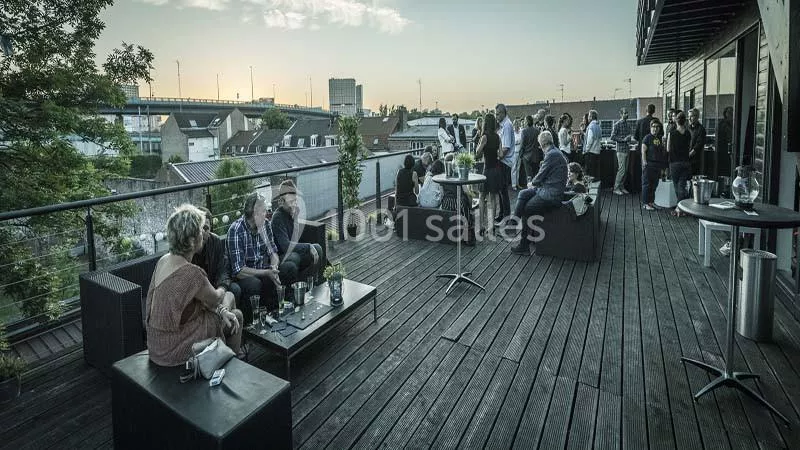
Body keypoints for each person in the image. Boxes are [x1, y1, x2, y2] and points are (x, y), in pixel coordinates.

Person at [146, 204, 243, 367]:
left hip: (156, 346)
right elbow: (216, 298)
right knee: (236, 313)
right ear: (191, 240)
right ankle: (229, 368)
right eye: (200, 230)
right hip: (174, 350)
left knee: (227, 312)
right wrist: (222, 288)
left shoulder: (162, 261)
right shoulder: (192, 274)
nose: (203, 233)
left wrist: (221, 310)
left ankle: (222, 356)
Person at [227, 193, 284, 322]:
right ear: (255, 214)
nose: (267, 214)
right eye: (264, 211)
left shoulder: (265, 224)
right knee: (254, 284)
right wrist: (267, 272)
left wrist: (274, 267)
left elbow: (273, 252)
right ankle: (251, 324)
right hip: (244, 277)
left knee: (281, 272)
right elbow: (239, 271)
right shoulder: (236, 230)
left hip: (264, 269)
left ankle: (274, 316)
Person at [510, 131, 568, 255]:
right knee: (523, 194)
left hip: (550, 195)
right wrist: (533, 184)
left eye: (539, 145)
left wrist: (532, 183)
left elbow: (540, 176)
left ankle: (524, 246)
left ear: (542, 144)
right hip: (547, 189)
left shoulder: (551, 155)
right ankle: (513, 224)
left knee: (527, 209)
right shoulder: (555, 152)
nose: (540, 148)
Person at [270, 180, 324, 283]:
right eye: (290, 202)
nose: (294, 204)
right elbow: (285, 246)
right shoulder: (278, 218)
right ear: (281, 201)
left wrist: (294, 219)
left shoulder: (292, 213)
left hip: (291, 252)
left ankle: (313, 283)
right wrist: (308, 246)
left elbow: (295, 239)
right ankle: (297, 288)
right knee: (295, 257)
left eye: (295, 201)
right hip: (280, 257)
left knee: (318, 248)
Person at [192, 207, 241, 305]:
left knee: (234, 289)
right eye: (199, 228)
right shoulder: (187, 246)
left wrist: (221, 288)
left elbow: (223, 270)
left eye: (206, 228)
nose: (202, 232)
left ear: (210, 228)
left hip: (215, 285)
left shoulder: (215, 241)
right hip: (196, 291)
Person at [475, 113, 502, 236]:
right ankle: (492, 227)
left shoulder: (484, 137)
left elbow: (477, 153)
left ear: (485, 123)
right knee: (493, 198)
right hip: (496, 169)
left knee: (482, 197)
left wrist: (480, 145)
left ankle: (481, 226)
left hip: (487, 170)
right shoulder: (498, 137)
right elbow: (500, 154)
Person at [441, 154, 476, 246]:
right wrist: (471, 204)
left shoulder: (443, 176)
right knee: (466, 209)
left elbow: (441, 193)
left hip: (446, 203)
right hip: (457, 203)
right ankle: (467, 236)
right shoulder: (459, 175)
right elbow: (466, 191)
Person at [667, 111, 692, 215]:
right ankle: (681, 208)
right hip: (686, 162)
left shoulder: (671, 133)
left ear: (676, 121)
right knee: (682, 185)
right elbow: (689, 147)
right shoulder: (688, 133)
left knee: (677, 186)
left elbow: (668, 149)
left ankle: (680, 208)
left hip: (674, 163)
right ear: (685, 121)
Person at [641, 119, 668, 211]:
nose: (655, 129)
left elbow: (661, 152)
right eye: (653, 126)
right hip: (649, 164)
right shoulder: (647, 138)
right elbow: (643, 151)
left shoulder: (659, 138)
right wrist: (644, 162)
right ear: (650, 127)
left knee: (654, 185)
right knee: (647, 185)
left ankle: (651, 202)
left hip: (657, 165)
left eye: (657, 127)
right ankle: (645, 203)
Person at [495, 103, 514, 222]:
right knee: (501, 190)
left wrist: (498, 155)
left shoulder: (507, 125)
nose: (496, 116)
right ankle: (502, 214)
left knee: (503, 191)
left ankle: (506, 216)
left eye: (497, 114)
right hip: (504, 162)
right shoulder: (504, 125)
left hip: (505, 162)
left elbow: (506, 148)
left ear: (503, 113)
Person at [610, 108, 633, 195]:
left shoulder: (628, 124)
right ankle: (616, 188)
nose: (627, 114)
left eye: (627, 113)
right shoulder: (617, 124)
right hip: (620, 150)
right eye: (625, 113)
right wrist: (623, 139)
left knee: (625, 170)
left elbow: (629, 136)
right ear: (621, 114)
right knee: (622, 170)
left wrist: (629, 138)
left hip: (627, 149)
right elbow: (612, 137)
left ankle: (621, 187)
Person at [520, 115, 541, 185]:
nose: (524, 122)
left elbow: (522, 145)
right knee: (535, 175)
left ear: (527, 122)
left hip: (526, 157)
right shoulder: (537, 131)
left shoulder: (524, 131)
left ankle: (529, 188)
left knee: (529, 176)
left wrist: (521, 155)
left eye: (525, 121)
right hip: (536, 156)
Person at [688, 108, 707, 175]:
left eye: (691, 116)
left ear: (697, 117)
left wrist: (689, 155)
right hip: (686, 159)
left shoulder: (701, 129)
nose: (689, 119)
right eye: (689, 116)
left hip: (695, 160)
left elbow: (698, 145)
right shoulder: (688, 128)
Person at [584, 110, 602, 177]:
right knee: (595, 172)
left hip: (591, 153)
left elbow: (590, 140)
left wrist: (586, 150)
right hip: (597, 152)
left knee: (590, 173)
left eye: (589, 116)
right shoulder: (599, 126)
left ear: (591, 117)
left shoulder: (591, 126)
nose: (588, 118)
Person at [511, 119, 523, 190]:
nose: (516, 125)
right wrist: (517, 142)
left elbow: (522, 140)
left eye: (517, 124)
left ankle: (517, 183)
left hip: (520, 151)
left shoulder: (521, 131)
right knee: (514, 168)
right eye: (515, 124)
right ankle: (513, 184)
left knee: (518, 168)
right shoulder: (512, 132)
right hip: (514, 152)